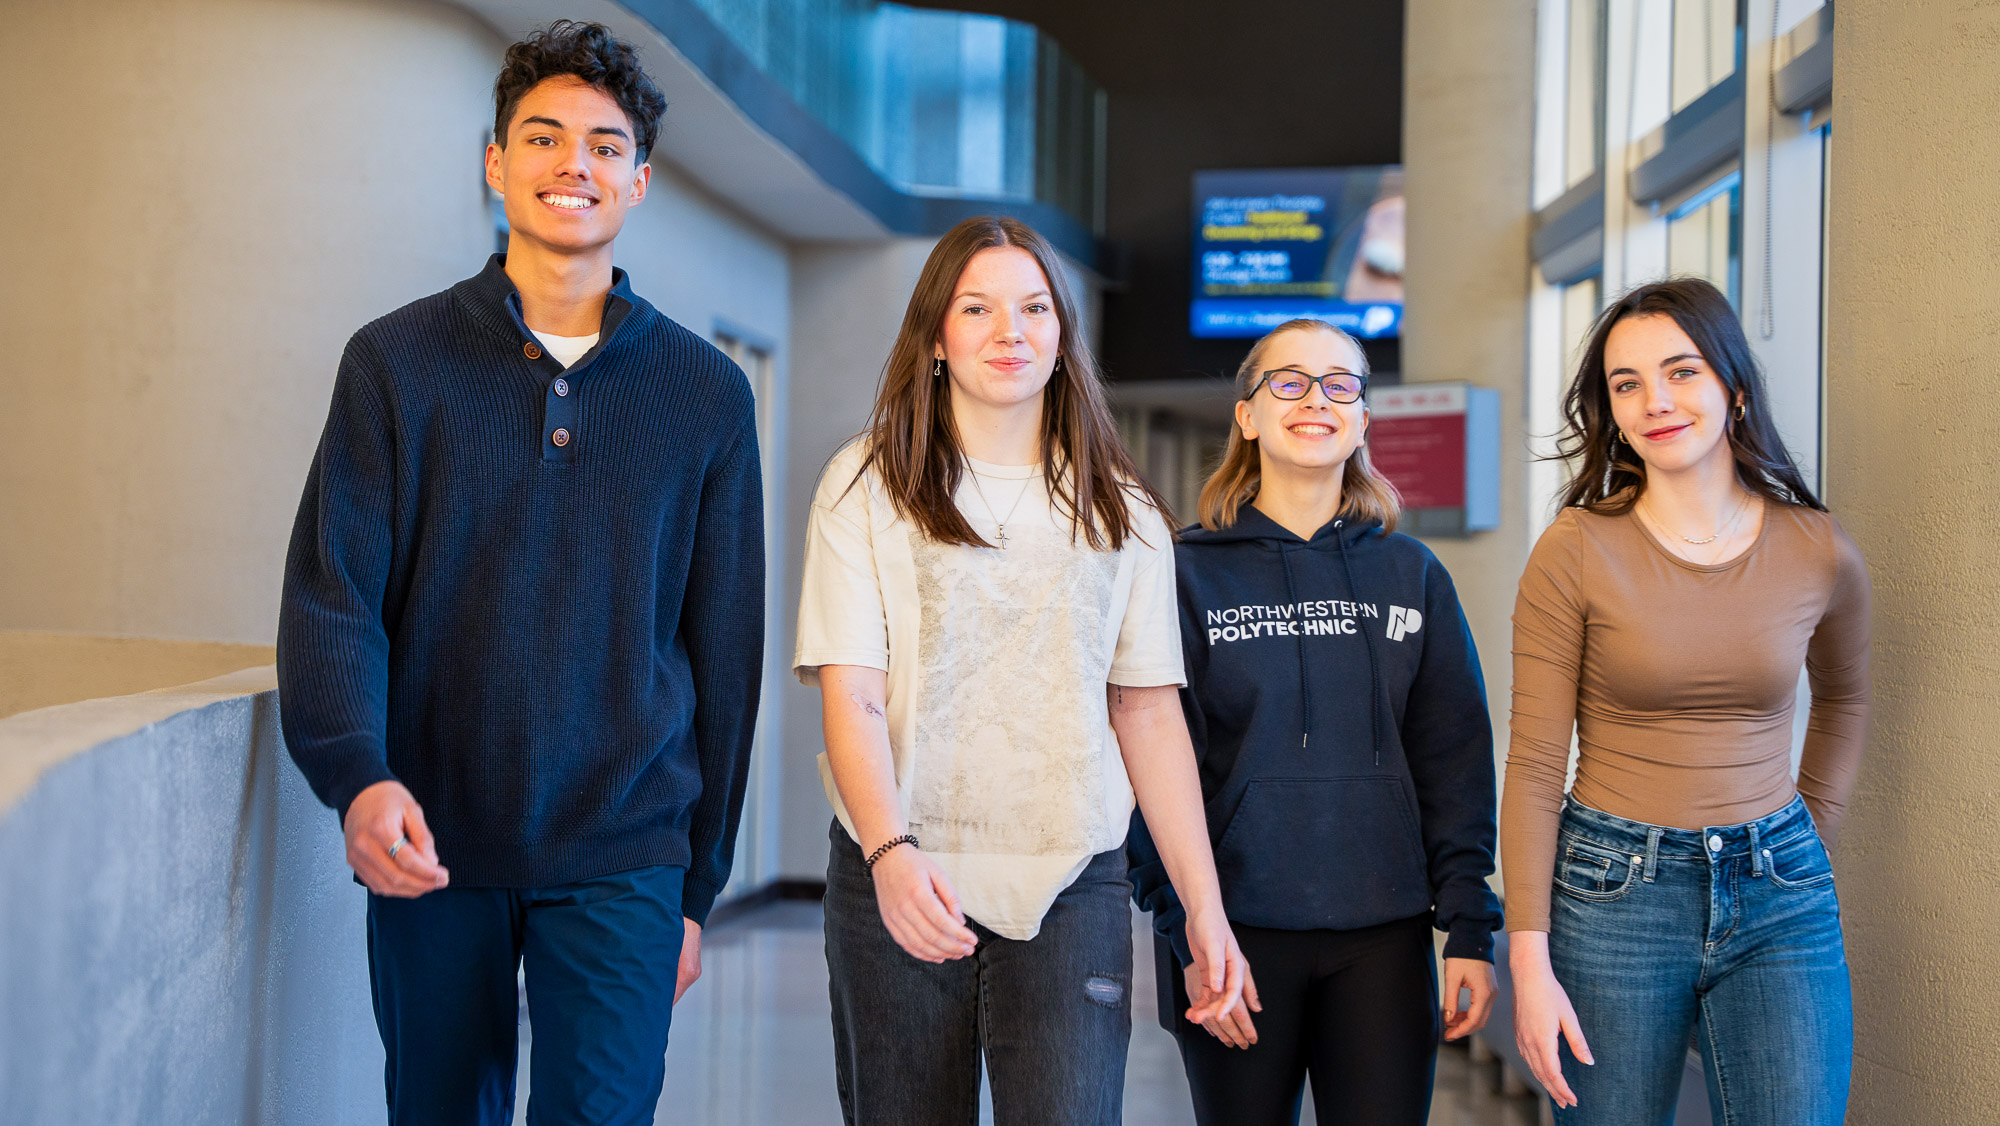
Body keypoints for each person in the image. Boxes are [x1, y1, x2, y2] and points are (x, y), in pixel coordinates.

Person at [277, 21, 764, 1125]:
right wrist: (358, 777)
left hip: (628, 846)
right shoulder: (394, 364)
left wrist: (697, 887)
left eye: (603, 145)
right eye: (542, 138)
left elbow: (724, 653)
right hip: (434, 833)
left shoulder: (704, 395)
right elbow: (333, 598)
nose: (571, 165)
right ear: (495, 164)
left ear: (638, 180)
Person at [793, 214, 1248, 1125]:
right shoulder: (865, 484)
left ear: (1063, 335)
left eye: (1035, 309)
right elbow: (855, 696)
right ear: (934, 337)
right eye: (977, 308)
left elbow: (1148, 714)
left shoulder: (1123, 511)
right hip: (901, 872)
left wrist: (1205, 908)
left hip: (1072, 880)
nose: (1011, 332)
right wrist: (889, 856)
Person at [1504, 277, 1871, 1125]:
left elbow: (1846, 700)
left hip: (1781, 893)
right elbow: (1534, 765)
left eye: (1681, 372)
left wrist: (1808, 837)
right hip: (1612, 894)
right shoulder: (1575, 549)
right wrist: (1529, 958)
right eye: (1627, 383)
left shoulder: (1817, 549)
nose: (1655, 402)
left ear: (1734, 388)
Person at [1129, 319, 1501, 1126]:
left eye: (1340, 385)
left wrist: (1472, 929)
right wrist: (1185, 932)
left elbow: (1455, 763)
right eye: (1289, 382)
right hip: (1233, 936)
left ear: (1363, 419)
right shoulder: (1181, 574)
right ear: (1247, 415)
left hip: (1385, 938)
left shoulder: (1412, 574)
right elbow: (1145, 770)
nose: (1316, 401)